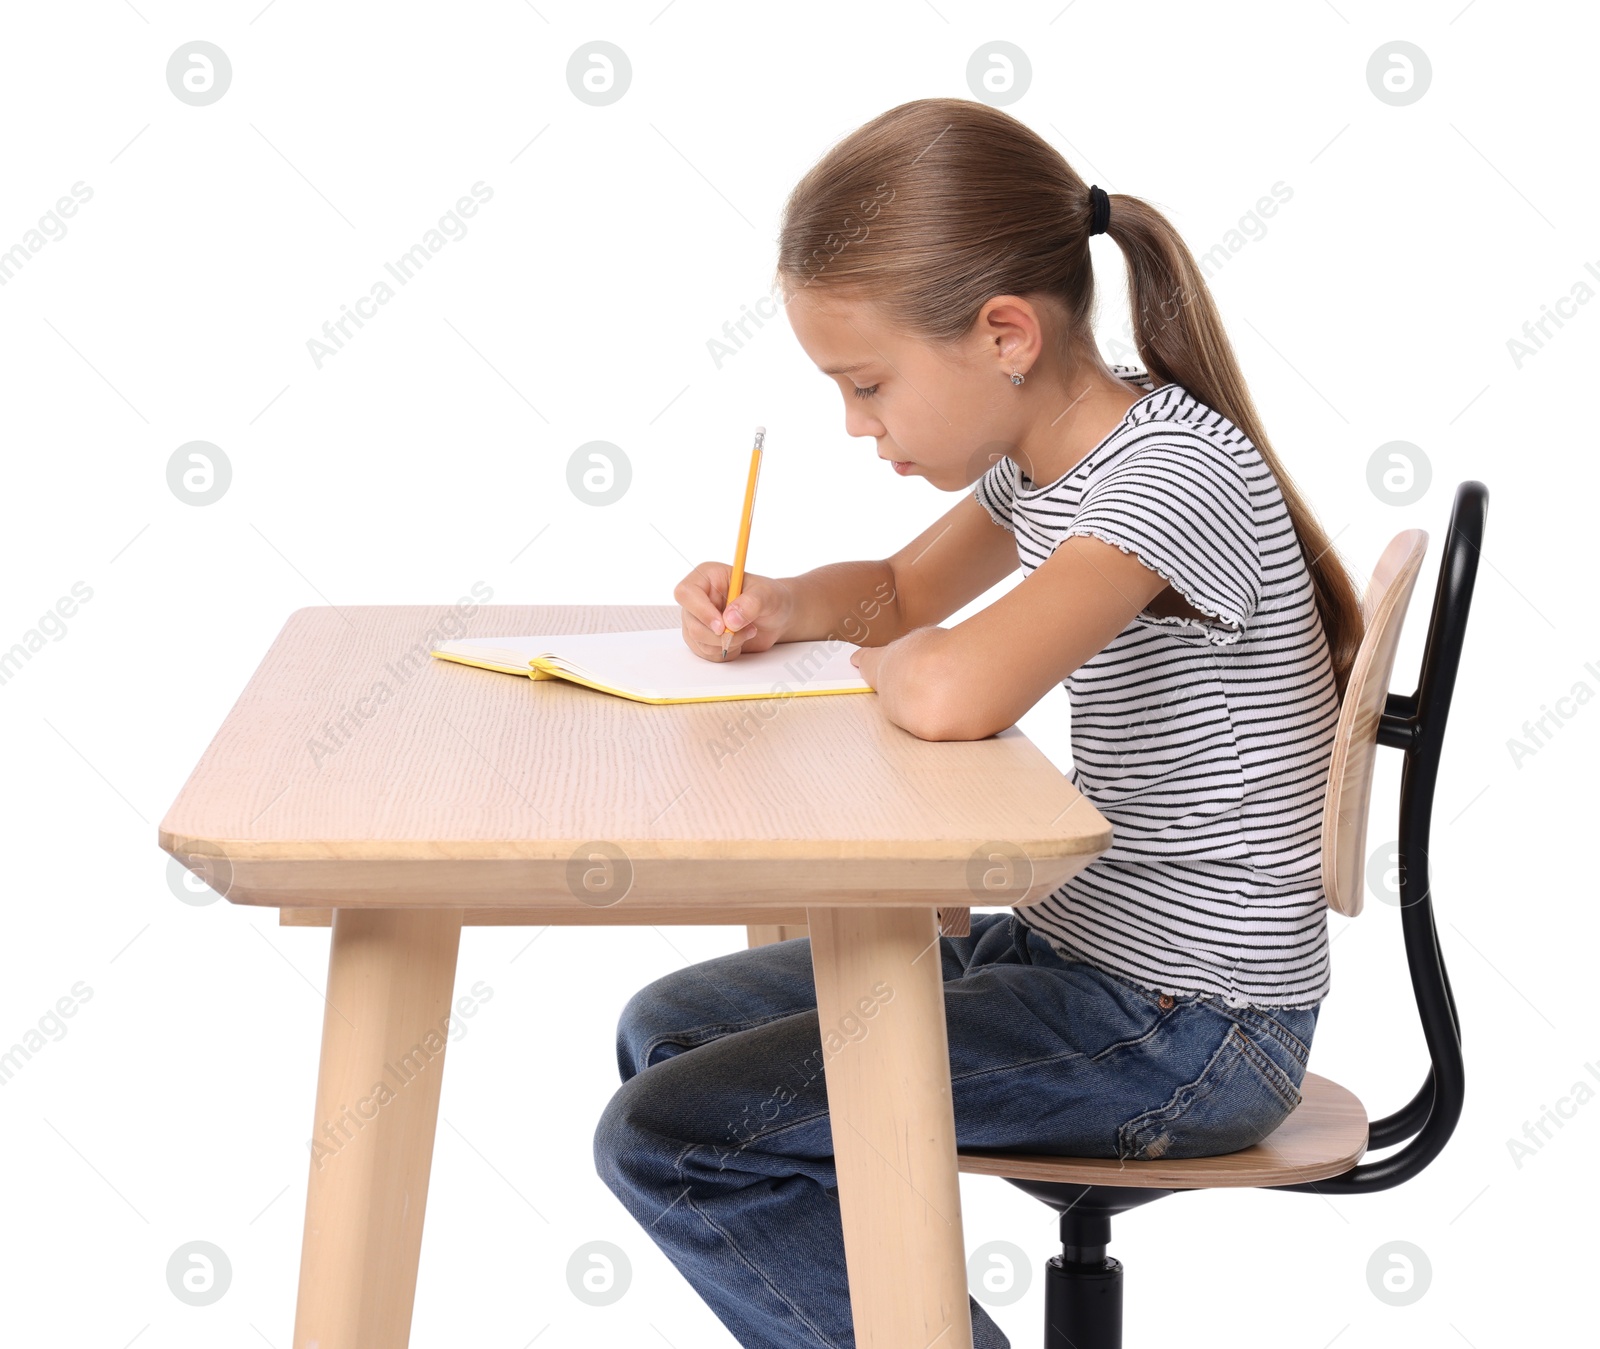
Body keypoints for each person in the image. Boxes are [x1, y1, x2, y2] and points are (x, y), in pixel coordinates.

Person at [592, 95, 1364, 1349]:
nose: (857, 423)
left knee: (675, 1136)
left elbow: (950, 690)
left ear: (1003, 333)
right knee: (670, 1033)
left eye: (868, 383)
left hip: (1192, 1030)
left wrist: (903, 658)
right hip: (1076, 961)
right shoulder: (1050, 452)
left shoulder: (1171, 474)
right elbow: (899, 598)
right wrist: (780, 604)